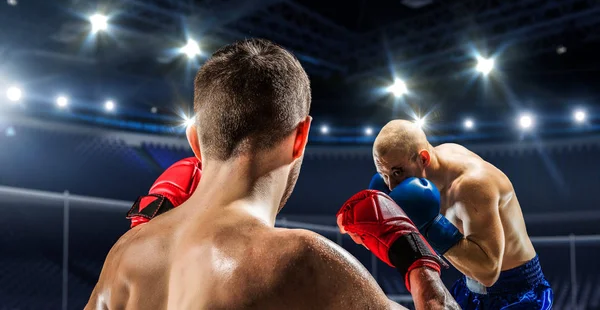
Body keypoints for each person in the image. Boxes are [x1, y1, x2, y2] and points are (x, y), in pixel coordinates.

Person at [85, 39, 460, 310]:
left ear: (195, 141)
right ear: (300, 138)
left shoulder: (124, 254)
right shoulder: (302, 261)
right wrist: (419, 265)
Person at [366, 119, 553, 309]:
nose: (391, 186)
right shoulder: (427, 173)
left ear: (423, 159)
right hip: (469, 288)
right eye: (384, 175)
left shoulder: (473, 186)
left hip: (518, 295)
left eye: (397, 172)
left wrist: (431, 226)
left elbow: (489, 273)